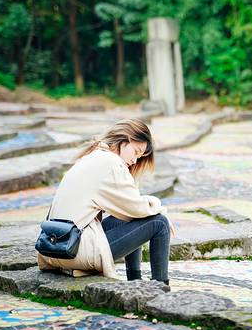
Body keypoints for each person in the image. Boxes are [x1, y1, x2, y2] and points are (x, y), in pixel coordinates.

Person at [37, 118, 173, 284]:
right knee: (160, 223)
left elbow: (130, 208)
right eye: (136, 152)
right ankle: (161, 288)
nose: (135, 161)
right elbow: (137, 207)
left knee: (128, 217)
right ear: (125, 139)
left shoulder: (92, 157)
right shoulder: (112, 164)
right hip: (72, 250)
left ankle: (135, 281)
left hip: (52, 247)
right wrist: (158, 207)